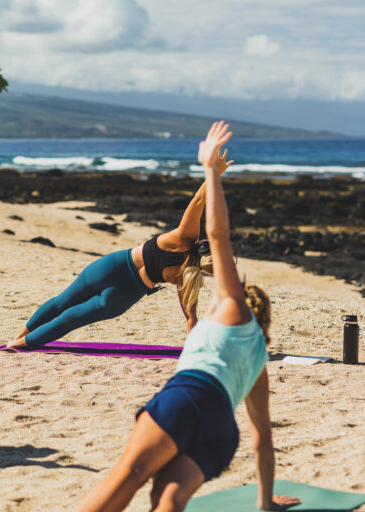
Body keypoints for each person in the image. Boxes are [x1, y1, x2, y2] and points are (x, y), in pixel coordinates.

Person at [73, 121, 301, 512]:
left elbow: (219, 234)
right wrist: (266, 505)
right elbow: (262, 438)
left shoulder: (231, 309)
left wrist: (210, 171)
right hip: (221, 433)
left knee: (129, 474)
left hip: (189, 399)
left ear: (240, 304)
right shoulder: (257, 362)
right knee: (168, 499)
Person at [8, 146, 231, 349]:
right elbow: (191, 319)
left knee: (61, 303)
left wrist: (214, 172)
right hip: (123, 295)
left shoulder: (184, 237)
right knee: (70, 319)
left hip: (111, 266)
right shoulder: (187, 277)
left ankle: (19, 336)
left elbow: (198, 200)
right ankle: (21, 344)